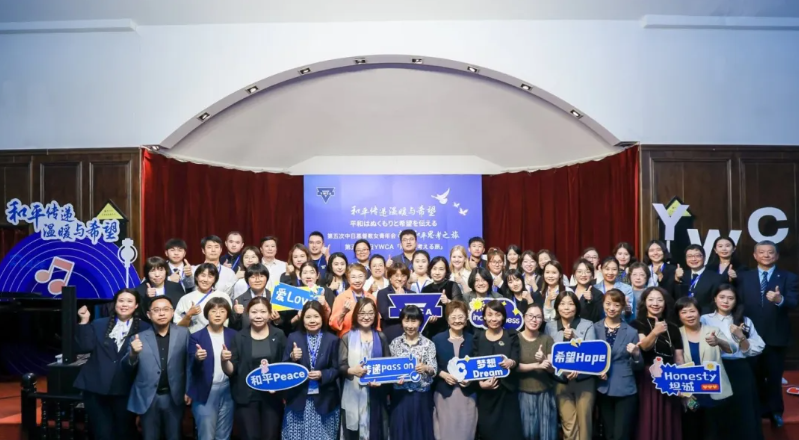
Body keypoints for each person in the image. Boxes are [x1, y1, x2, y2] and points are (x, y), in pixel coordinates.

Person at [74, 289, 149, 440]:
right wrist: (84, 321)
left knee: (125, 432)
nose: (124, 305)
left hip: (125, 389)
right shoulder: (99, 323)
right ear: (115, 304)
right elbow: (84, 347)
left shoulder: (145, 328)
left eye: (129, 301)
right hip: (96, 388)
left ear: (136, 306)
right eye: (121, 301)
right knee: (103, 433)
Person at [739, 240, 798, 427]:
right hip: (750, 336)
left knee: (773, 377)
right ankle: (755, 411)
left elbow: (794, 302)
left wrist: (780, 299)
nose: (766, 255)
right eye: (762, 252)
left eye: (770, 252)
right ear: (755, 256)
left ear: (777, 256)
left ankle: (775, 412)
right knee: (753, 376)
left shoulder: (789, 277)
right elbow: (738, 304)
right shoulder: (744, 277)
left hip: (776, 335)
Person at [701, 284, 766, 440]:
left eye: (731, 298)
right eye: (722, 297)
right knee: (718, 412)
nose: (726, 301)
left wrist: (740, 335)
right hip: (716, 368)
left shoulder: (744, 321)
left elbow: (755, 348)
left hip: (739, 368)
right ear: (715, 299)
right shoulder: (705, 319)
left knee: (743, 412)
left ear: (736, 301)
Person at [124, 296, 190, 440]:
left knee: (174, 436)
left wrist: (188, 389)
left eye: (166, 309)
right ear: (149, 314)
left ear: (172, 312)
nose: (161, 313)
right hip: (148, 397)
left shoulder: (184, 334)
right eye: (156, 310)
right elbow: (126, 368)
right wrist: (133, 353)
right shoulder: (138, 337)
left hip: (174, 396)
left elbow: (189, 365)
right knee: (150, 436)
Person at [223, 297, 286, 440]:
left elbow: (284, 364)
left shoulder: (279, 335)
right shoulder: (239, 337)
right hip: (246, 397)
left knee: (270, 436)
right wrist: (224, 361)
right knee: (250, 436)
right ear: (247, 313)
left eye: (263, 312)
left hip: (272, 396)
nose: (258, 316)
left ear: (270, 314)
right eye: (254, 312)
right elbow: (231, 370)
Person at [676, 296, 734, 440]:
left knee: (713, 433)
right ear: (678, 315)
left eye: (692, 311)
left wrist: (718, 341)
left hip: (713, 391)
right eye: (684, 312)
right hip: (690, 394)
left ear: (699, 312)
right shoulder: (676, 334)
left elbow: (730, 349)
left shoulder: (712, 330)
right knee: (692, 432)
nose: (689, 315)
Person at [282, 301, 341, 440]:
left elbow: (337, 369)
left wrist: (322, 375)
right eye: (308, 317)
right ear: (302, 319)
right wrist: (292, 357)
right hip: (298, 399)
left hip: (324, 399)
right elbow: (284, 367)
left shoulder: (332, 339)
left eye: (316, 316)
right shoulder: (293, 337)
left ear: (322, 318)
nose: (312, 320)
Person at [632, 286, 684, 440]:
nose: (655, 303)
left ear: (665, 303)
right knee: (647, 418)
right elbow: (644, 346)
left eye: (659, 300)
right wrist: (655, 332)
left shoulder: (673, 327)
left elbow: (679, 358)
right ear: (644, 302)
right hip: (648, 377)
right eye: (651, 300)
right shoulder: (637, 324)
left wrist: (681, 382)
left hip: (670, 377)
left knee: (668, 418)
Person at [545, 291, 596, 440]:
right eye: (562, 304)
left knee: (585, 424)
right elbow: (550, 353)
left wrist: (575, 338)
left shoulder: (587, 324)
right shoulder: (550, 326)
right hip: (561, 381)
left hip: (584, 381)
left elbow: (591, 351)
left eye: (571, 303)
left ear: (577, 306)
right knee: (568, 424)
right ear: (556, 307)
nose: (566, 307)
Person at [593, 289, 642, 440]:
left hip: (625, 388)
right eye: (608, 304)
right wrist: (596, 371)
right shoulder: (594, 328)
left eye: (616, 305)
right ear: (603, 305)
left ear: (622, 307)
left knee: (621, 435)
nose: (612, 308)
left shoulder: (631, 332)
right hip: (602, 387)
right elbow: (589, 358)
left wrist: (636, 354)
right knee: (609, 434)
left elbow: (639, 366)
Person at [339, 298, 390, 440]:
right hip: (354, 392)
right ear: (355, 315)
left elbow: (388, 365)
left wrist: (382, 381)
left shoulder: (381, 337)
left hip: (376, 393)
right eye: (362, 313)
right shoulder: (347, 337)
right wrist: (351, 370)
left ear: (375, 316)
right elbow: (340, 365)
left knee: (375, 430)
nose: (366, 317)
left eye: (370, 313)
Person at [472, 300, 523, 440]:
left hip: (507, 392)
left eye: (498, 314)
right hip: (486, 394)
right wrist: (480, 384)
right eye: (490, 315)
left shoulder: (511, 335)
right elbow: (473, 365)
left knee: (510, 432)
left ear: (503, 317)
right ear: (484, 317)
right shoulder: (478, 337)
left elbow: (515, 358)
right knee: (488, 432)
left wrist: (511, 362)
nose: (494, 318)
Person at [187, 297, 237, 440]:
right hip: (205, 390)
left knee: (224, 435)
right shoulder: (196, 337)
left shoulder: (233, 335)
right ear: (206, 314)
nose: (218, 314)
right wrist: (197, 357)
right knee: (206, 435)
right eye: (213, 311)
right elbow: (190, 365)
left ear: (227, 314)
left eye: (222, 311)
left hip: (228, 390)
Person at [388, 305, 437, 440]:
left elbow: (434, 369)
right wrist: (394, 378)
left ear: (420, 322)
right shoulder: (395, 343)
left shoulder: (428, 344)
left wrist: (426, 368)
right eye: (406, 321)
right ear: (401, 322)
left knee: (421, 433)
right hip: (400, 395)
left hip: (421, 396)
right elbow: (389, 369)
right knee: (400, 433)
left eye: (414, 321)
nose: (410, 325)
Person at [432, 301, 477, 440]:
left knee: (467, 431)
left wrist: (470, 379)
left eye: (461, 317)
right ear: (447, 319)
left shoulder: (473, 339)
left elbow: (478, 364)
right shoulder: (437, 339)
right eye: (453, 317)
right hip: (445, 393)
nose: (457, 320)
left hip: (467, 393)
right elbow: (432, 364)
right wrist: (442, 374)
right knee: (445, 431)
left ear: (467, 318)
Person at [516, 303, 557, 440]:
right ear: (524, 317)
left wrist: (545, 359)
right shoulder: (516, 339)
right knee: (528, 434)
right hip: (523, 393)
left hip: (546, 392)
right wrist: (536, 365)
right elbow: (514, 366)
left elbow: (552, 369)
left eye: (538, 317)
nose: (534, 320)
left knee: (548, 434)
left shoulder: (547, 339)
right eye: (531, 316)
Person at [174, 263, 233, 334]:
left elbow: (228, 322)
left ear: (215, 279)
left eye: (210, 276)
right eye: (203, 275)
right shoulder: (186, 298)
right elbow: (178, 328)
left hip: (219, 336)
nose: (205, 280)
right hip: (193, 339)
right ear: (196, 277)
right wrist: (188, 315)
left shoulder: (223, 296)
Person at [330, 263, 379, 337]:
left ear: (365, 278)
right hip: (347, 340)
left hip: (369, 339)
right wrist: (343, 312)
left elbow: (377, 323)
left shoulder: (371, 298)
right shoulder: (341, 298)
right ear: (348, 279)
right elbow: (333, 325)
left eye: (360, 276)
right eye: (353, 277)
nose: (357, 280)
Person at [275, 244, 313, 335]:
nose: (299, 259)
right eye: (295, 257)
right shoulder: (285, 275)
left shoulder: (313, 273)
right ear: (291, 259)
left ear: (307, 257)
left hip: (311, 317)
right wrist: (289, 274)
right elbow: (283, 298)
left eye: (302, 256)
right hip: (291, 321)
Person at [673, 244, 722, 314]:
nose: (693, 259)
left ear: (704, 258)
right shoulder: (681, 275)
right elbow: (675, 297)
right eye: (690, 256)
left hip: (705, 318)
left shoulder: (716, 277)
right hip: (683, 317)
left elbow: (715, 302)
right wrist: (677, 280)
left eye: (697, 256)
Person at [422, 256, 464, 336]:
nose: (437, 272)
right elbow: (422, 312)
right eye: (434, 269)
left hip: (449, 329)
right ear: (430, 270)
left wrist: (448, 302)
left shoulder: (452, 285)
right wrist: (428, 319)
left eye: (441, 269)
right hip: (430, 331)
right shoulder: (425, 289)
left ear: (446, 271)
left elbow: (461, 308)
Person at [230, 263, 274, 330]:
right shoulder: (239, 301)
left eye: (261, 276)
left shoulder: (275, 297)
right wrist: (237, 315)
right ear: (247, 280)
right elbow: (233, 328)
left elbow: (284, 325)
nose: (257, 280)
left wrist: (277, 320)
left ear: (267, 278)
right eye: (253, 277)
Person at [376, 263, 411, 342]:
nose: (399, 279)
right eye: (396, 275)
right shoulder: (382, 293)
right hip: (391, 333)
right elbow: (386, 315)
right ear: (390, 277)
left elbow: (414, 315)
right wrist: (399, 299)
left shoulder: (412, 294)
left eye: (403, 276)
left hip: (411, 334)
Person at [595, 257, 635, 323]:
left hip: (620, 324)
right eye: (607, 269)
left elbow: (629, 315)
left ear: (618, 270)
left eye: (614, 269)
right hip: (599, 326)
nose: (610, 273)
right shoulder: (595, 288)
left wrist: (627, 308)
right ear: (601, 269)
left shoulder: (627, 289)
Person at [570, 258, 604, 323]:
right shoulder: (568, 290)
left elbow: (598, 317)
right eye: (579, 271)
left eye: (587, 272)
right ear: (574, 274)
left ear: (592, 275)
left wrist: (591, 301)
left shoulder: (598, 294)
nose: (583, 275)